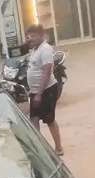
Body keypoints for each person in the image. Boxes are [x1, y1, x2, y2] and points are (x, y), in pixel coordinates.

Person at [24, 24, 63, 156]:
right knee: (34, 120)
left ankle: (59, 148)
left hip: (47, 90)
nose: (30, 38)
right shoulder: (35, 49)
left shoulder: (45, 49)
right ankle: (40, 151)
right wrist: (34, 93)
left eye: (33, 36)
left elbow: (47, 72)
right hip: (36, 92)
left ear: (41, 35)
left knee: (49, 119)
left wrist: (39, 94)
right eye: (28, 36)